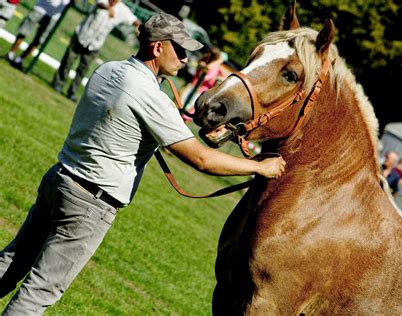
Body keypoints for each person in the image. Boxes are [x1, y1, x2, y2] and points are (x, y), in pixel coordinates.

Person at [0, 12, 285, 314]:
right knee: (39, 291)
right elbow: (201, 159)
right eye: (180, 50)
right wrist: (259, 167)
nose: (186, 59)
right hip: (90, 204)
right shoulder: (150, 96)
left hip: (59, 179)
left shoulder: (108, 69)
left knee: (12, 261)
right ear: (158, 48)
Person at [52, 0, 139, 102]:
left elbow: (134, 20)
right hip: (81, 35)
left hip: (95, 44)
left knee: (82, 70)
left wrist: (138, 27)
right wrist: (108, 8)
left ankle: (72, 92)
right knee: (68, 61)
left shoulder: (123, 10)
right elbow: (99, 4)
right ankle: (58, 84)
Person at [6, 0, 70, 68]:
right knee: (23, 32)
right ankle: (11, 54)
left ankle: (19, 60)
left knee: (39, 40)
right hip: (40, 8)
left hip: (54, 17)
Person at [180, 46, 225, 123]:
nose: (206, 55)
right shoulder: (203, 63)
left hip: (201, 94)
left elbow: (223, 76)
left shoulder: (216, 67)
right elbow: (206, 70)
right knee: (182, 109)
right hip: (193, 89)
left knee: (188, 116)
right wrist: (220, 60)